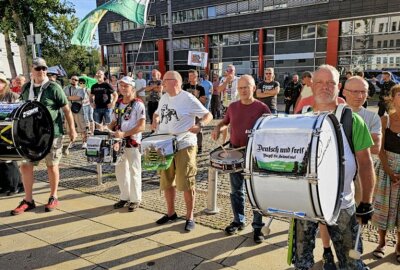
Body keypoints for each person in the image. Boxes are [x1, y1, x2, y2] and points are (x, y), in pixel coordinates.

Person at [292, 65, 375, 270]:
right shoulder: (301, 118)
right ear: (311, 85)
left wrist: (366, 202)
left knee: (352, 261)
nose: (325, 87)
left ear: (338, 87)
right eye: (319, 82)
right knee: (301, 261)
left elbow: (365, 164)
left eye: (330, 83)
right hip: (306, 204)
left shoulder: (351, 120)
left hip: (342, 203)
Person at [11, 57, 77, 215]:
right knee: (26, 166)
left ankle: (53, 196)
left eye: (44, 69)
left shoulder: (54, 87)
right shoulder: (27, 87)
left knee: (51, 165)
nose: (41, 71)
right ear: (31, 71)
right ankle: (28, 200)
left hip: (52, 134)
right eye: (38, 69)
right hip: (30, 136)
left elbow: (67, 110)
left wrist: (72, 129)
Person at [211, 75, 271, 243]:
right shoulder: (233, 106)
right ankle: (238, 220)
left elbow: (270, 132)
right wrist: (217, 128)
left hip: (255, 156)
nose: (243, 90)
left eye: (247, 87)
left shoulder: (262, 108)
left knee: (255, 192)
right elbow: (224, 122)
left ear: (253, 88)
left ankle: (258, 227)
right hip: (234, 155)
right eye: (241, 88)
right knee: (236, 190)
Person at [152, 71, 212, 231]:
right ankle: (171, 213)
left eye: (164, 80)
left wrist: (200, 126)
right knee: (166, 181)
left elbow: (208, 115)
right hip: (163, 144)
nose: (161, 83)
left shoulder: (188, 98)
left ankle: (189, 216)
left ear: (175, 82)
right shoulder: (164, 97)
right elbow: (157, 113)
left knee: (186, 182)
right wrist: (155, 120)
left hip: (184, 145)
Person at [371, 84, 400, 263]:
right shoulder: (386, 120)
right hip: (385, 170)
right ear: (393, 98)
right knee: (382, 209)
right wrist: (390, 172)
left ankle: (399, 246)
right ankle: (381, 243)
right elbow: (379, 150)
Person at [108, 76, 146, 212]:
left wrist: (124, 134)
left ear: (132, 88)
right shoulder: (117, 103)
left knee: (134, 171)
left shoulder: (138, 104)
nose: (123, 88)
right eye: (121, 85)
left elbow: (142, 126)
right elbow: (113, 122)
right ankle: (124, 196)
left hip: (133, 142)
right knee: (120, 171)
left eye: (126, 86)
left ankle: (135, 199)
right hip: (118, 143)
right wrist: (106, 129)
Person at [0, 73, 23, 196]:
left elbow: (20, 113)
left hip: (10, 132)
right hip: (0, 132)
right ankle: (5, 185)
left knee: (9, 159)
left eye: (1, 81)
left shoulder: (13, 96)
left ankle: (16, 185)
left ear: (5, 83)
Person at [182, 69, 206, 154]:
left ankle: (200, 147)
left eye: (192, 76)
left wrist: (196, 97)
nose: (190, 78)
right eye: (189, 76)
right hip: (187, 111)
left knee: (199, 130)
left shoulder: (200, 88)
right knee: (187, 129)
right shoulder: (184, 87)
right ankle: (188, 145)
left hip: (197, 111)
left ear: (196, 77)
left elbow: (203, 101)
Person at [64, 75, 88, 149]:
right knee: (68, 127)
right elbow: (62, 97)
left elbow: (78, 97)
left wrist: (67, 97)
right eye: (72, 79)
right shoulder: (65, 88)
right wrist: (70, 98)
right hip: (67, 110)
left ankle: (84, 142)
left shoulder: (80, 89)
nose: (74, 80)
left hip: (78, 110)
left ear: (78, 81)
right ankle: (72, 141)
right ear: (70, 80)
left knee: (82, 126)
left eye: (76, 80)